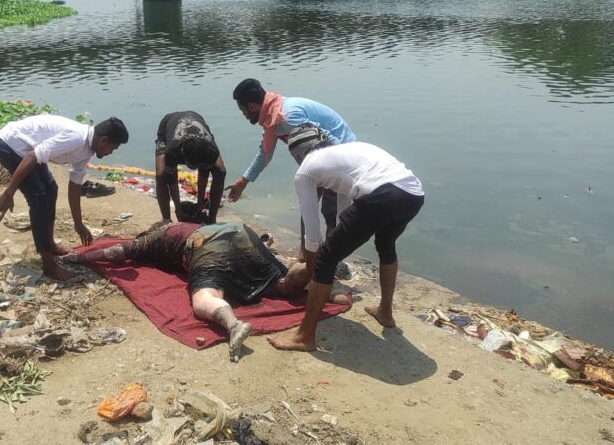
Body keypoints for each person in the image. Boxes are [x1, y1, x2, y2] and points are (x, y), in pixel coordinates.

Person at [65, 220, 336, 362]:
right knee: (280, 283)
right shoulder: (189, 224)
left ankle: (234, 325)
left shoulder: (157, 237)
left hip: (206, 245)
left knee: (205, 295)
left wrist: (81, 258)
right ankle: (318, 272)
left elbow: (116, 252)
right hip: (240, 231)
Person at [267, 125, 424, 352]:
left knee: (324, 258)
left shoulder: (305, 170)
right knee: (385, 245)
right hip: (412, 193)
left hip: (383, 194)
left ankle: (304, 336)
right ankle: (385, 313)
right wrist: (334, 249)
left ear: (298, 155)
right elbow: (345, 215)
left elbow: (312, 233)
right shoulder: (343, 154)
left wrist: (311, 269)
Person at [0, 115, 129, 281]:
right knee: (39, 198)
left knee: (51, 189)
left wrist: (78, 223)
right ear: (104, 140)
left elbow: (75, 186)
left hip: (28, 149)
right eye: (113, 148)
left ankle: (50, 244)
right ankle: (49, 266)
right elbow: (32, 157)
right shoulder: (76, 138)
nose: (110, 153)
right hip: (10, 145)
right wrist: (8, 193)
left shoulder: (87, 150)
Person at [228, 78, 356, 234]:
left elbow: (328, 138)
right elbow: (264, 154)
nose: (244, 115)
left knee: (332, 212)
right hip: (318, 155)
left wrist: (345, 165)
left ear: (251, 106)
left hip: (340, 150)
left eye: (243, 111)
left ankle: (329, 248)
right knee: (307, 201)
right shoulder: (272, 118)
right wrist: (243, 182)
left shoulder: (287, 117)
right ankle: (306, 246)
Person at [153, 111, 226, 224]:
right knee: (161, 175)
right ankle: (166, 220)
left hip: (197, 119)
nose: (194, 169)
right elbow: (172, 181)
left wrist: (200, 206)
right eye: (191, 165)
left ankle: (212, 219)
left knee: (220, 171)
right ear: (183, 155)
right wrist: (178, 209)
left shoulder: (210, 151)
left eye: (197, 166)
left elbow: (204, 174)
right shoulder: (173, 151)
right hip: (167, 124)